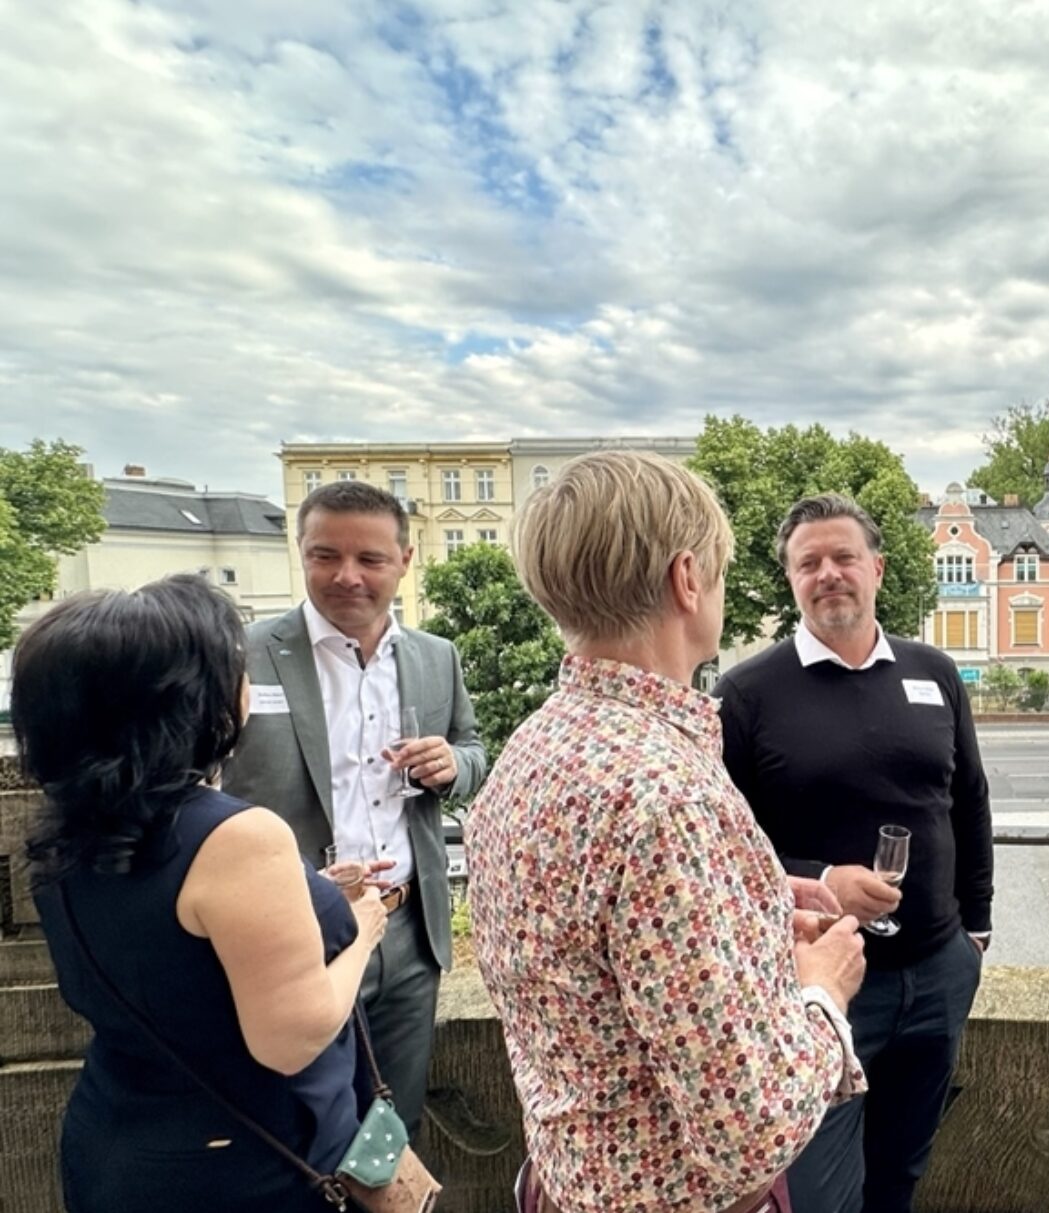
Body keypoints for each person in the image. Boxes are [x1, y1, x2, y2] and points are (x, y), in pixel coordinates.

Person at [467, 452, 868, 1213]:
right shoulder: (663, 793)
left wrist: (748, 899)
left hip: (568, 1181)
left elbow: (591, 936)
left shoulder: (534, 747)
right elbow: (750, 1128)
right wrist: (823, 992)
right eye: (717, 570)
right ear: (687, 579)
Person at [18, 574, 389, 1212]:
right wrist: (360, 929)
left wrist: (300, 903)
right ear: (191, 700)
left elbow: (165, 947)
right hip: (251, 1164)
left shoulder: (70, 826)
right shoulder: (238, 836)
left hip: (119, 1141)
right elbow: (289, 1040)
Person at [714, 493, 994, 1213]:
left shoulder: (934, 671)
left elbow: (969, 799)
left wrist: (976, 932)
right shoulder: (746, 694)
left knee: (901, 1169)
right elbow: (723, 849)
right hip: (819, 988)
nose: (828, 573)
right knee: (818, 1190)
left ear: (878, 567)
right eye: (809, 563)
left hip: (936, 971)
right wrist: (819, 877)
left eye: (844, 557)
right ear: (791, 581)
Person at [221, 479, 488, 1133]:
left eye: (368, 559)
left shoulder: (434, 657)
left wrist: (454, 766)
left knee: (394, 1127)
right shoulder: (242, 655)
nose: (346, 576)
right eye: (324, 555)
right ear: (300, 552)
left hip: (406, 934)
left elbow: (476, 751)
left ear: (404, 559)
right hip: (291, 929)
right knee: (294, 1124)